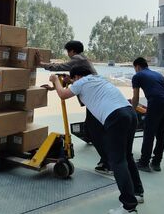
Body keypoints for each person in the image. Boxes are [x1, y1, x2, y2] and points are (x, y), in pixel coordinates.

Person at [48, 65, 144, 214]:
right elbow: (76, 86)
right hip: (130, 113)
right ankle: (137, 193)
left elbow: (63, 95)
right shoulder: (98, 78)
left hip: (115, 117)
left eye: (73, 79)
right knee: (127, 156)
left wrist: (55, 80)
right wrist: (65, 81)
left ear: (77, 77)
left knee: (117, 161)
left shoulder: (81, 82)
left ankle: (128, 207)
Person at [36, 40, 111, 175]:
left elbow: (60, 67)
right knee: (92, 129)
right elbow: (74, 81)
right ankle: (107, 160)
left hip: (95, 101)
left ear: (72, 51)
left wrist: (41, 64)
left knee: (94, 130)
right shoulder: (83, 61)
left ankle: (108, 163)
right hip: (96, 99)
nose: (68, 54)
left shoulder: (78, 59)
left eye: (68, 51)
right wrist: (54, 88)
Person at [131, 57, 164, 172]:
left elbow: (135, 97)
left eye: (134, 68)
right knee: (161, 135)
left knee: (149, 133)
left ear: (137, 66)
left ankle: (144, 163)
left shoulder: (137, 76)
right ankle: (156, 163)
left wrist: (132, 111)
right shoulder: (158, 75)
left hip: (156, 104)